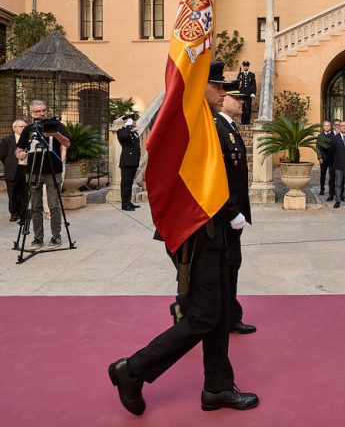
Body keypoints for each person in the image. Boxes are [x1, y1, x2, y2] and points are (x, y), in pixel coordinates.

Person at [109, 61, 258, 416]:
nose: (224, 92)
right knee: (204, 316)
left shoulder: (205, 122)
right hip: (196, 233)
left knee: (220, 313)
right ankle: (132, 370)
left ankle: (217, 387)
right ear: (197, 85)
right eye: (218, 85)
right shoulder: (188, 122)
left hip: (215, 229)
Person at [215, 84, 257, 335]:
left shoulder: (230, 127)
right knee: (227, 265)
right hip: (226, 213)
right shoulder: (217, 127)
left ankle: (230, 315)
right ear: (223, 100)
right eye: (236, 98)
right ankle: (224, 317)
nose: (242, 102)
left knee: (232, 264)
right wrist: (232, 211)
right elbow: (219, 177)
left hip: (235, 210)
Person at [15, 100, 70, 250]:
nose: (41, 113)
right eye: (38, 111)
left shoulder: (57, 126)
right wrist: (19, 154)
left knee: (53, 205)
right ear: (31, 113)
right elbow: (19, 149)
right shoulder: (28, 129)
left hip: (53, 170)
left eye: (43, 110)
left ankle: (56, 236)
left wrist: (55, 134)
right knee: (36, 206)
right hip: (33, 172)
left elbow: (67, 143)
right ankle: (38, 238)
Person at [1, 120, 28, 222]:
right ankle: (13, 213)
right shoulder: (7, 140)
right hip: (12, 169)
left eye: (25, 126)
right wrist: (9, 163)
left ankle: (23, 214)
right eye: (21, 126)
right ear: (14, 128)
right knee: (12, 193)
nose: (23, 128)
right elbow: (2, 155)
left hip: (25, 169)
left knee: (24, 193)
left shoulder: (29, 139)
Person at [117, 115, 142, 211]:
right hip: (127, 162)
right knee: (125, 183)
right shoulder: (122, 131)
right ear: (127, 121)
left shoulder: (133, 132)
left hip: (133, 161)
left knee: (130, 182)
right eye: (133, 121)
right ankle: (124, 204)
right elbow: (124, 136)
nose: (135, 122)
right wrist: (127, 125)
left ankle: (128, 201)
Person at [316, 121, 334, 198]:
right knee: (322, 175)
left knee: (332, 176)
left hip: (332, 159)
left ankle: (332, 191)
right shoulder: (320, 136)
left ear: (331, 126)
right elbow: (318, 147)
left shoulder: (334, 135)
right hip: (323, 158)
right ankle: (322, 189)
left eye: (328, 125)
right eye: (325, 125)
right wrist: (319, 157)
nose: (327, 127)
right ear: (323, 127)